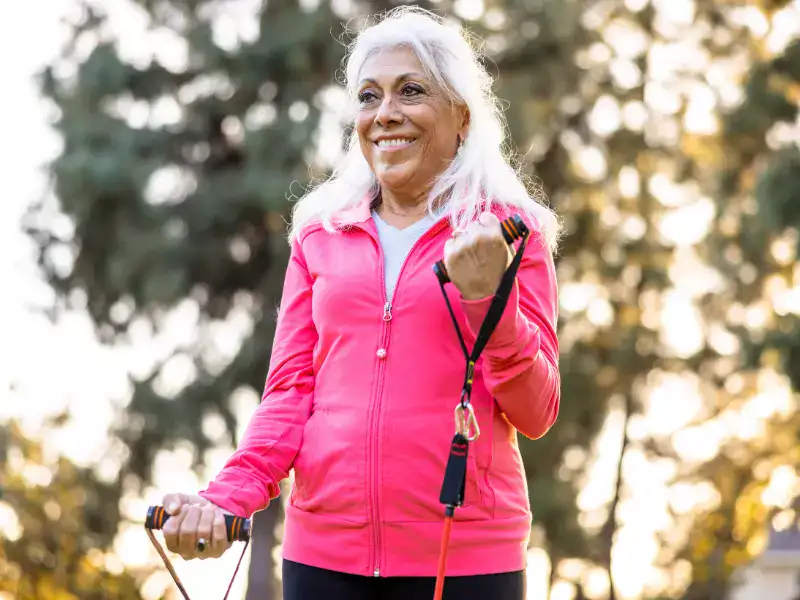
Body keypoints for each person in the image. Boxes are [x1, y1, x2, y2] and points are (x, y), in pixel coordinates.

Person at [160, 6, 562, 600]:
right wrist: (228, 496)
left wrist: (488, 305)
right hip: (322, 559)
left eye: (412, 91)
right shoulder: (319, 234)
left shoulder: (508, 233)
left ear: (462, 119)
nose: (385, 114)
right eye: (369, 96)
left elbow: (538, 411)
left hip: (468, 562)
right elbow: (291, 394)